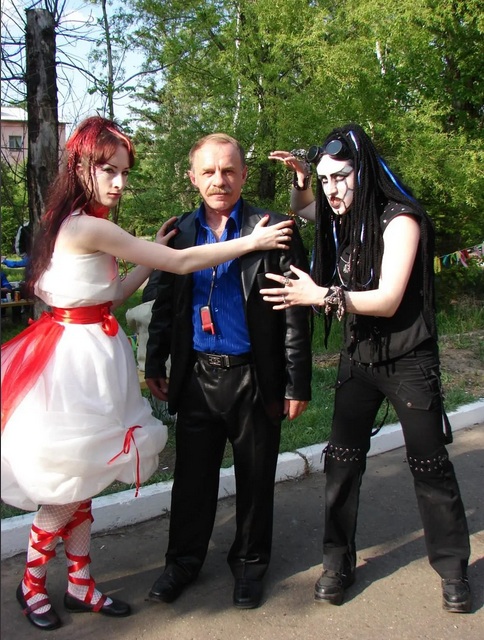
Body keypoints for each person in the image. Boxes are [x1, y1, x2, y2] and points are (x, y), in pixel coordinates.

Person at [0, 116, 294, 632]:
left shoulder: (76, 221)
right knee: (66, 487)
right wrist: (249, 243)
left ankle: (79, 583)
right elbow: (180, 264)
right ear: (80, 167)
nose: (118, 183)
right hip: (74, 365)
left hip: (89, 351)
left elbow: (111, 295)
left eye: (123, 172)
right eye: (107, 170)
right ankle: (32, 585)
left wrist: (150, 259)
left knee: (84, 478)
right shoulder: (87, 226)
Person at [264, 124, 471, 613]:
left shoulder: (401, 219)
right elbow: (306, 208)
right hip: (360, 357)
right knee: (341, 462)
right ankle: (337, 563)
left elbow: (388, 298)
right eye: (325, 180)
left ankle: (452, 569)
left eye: (341, 177)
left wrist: (320, 295)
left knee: (430, 465)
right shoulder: (344, 214)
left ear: (365, 170)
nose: (332, 190)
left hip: (409, 358)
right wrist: (302, 181)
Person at [144, 133, 312, 610]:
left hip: (254, 377)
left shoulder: (274, 228)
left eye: (229, 170)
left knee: (255, 479)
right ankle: (182, 564)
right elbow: (165, 303)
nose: (220, 180)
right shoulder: (179, 232)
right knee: (191, 482)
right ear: (193, 177)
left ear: (243, 173)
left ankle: (250, 566)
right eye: (209, 171)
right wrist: (156, 360)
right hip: (198, 377)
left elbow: (295, 311)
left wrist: (297, 382)